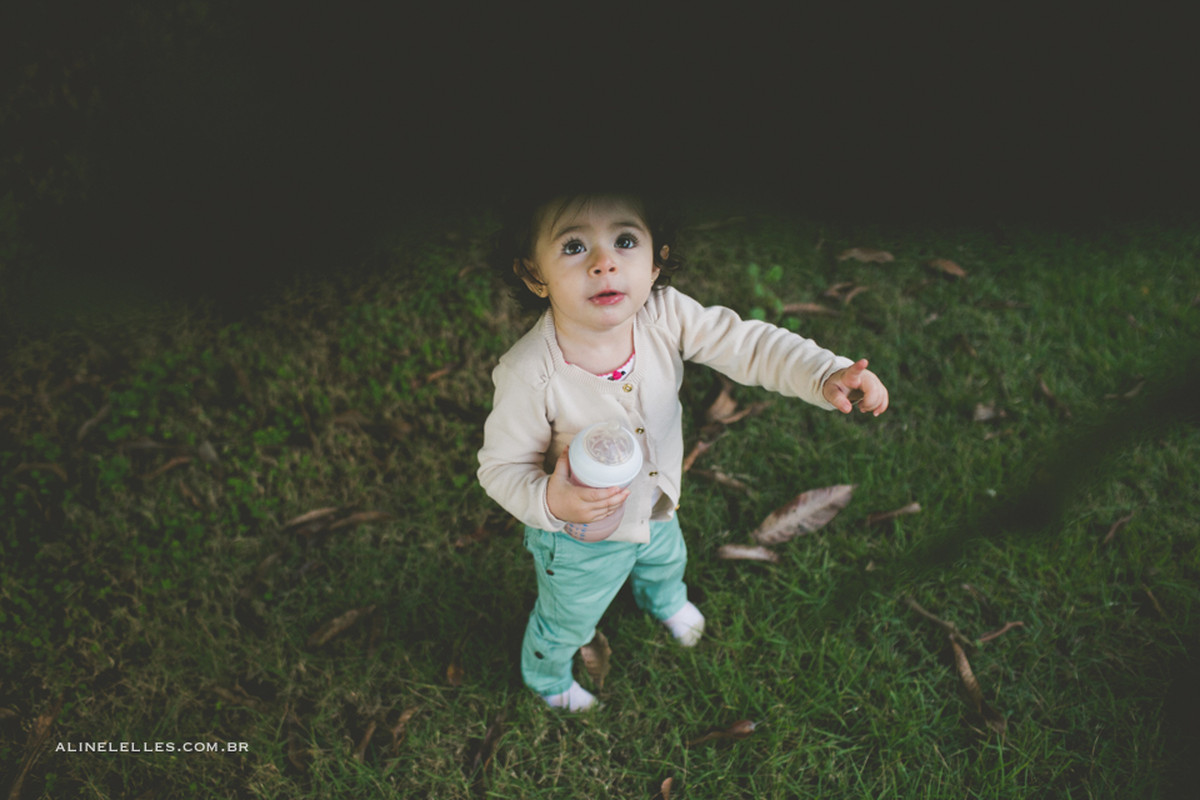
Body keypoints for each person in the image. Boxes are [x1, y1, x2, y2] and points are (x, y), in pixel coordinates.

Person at [477, 190, 889, 711]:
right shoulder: (530, 373)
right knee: (569, 616)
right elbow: (500, 467)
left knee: (666, 559)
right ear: (534, 275)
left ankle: (664, 598)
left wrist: (822, 371)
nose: (605, 263)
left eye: (625, 240)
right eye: (574, 247)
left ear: (656, 262)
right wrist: (552, 504)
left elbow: (749, 345)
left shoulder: (664, 316)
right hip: (579, 537)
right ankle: (545, 672)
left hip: (657, 502)